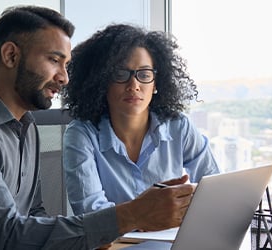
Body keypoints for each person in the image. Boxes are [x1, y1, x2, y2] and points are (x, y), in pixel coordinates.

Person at [0, 6, 195, 250]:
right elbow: (7, 236)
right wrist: (131, 215)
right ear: (10, 55)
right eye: (54, 60)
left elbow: (32, 216)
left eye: (66, 64)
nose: (64, 77)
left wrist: (90, 238)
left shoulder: (25, 126)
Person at [62, 24, 220, 215]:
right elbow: (91, 213)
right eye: (121, 74)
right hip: (113, 244)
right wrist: (145, 215)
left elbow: (214, 187)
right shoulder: (81, 134)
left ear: (155, 84)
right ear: (102, 81)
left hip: (172, 241)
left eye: (144, 75)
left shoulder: (179, 126)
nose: (134, 85)